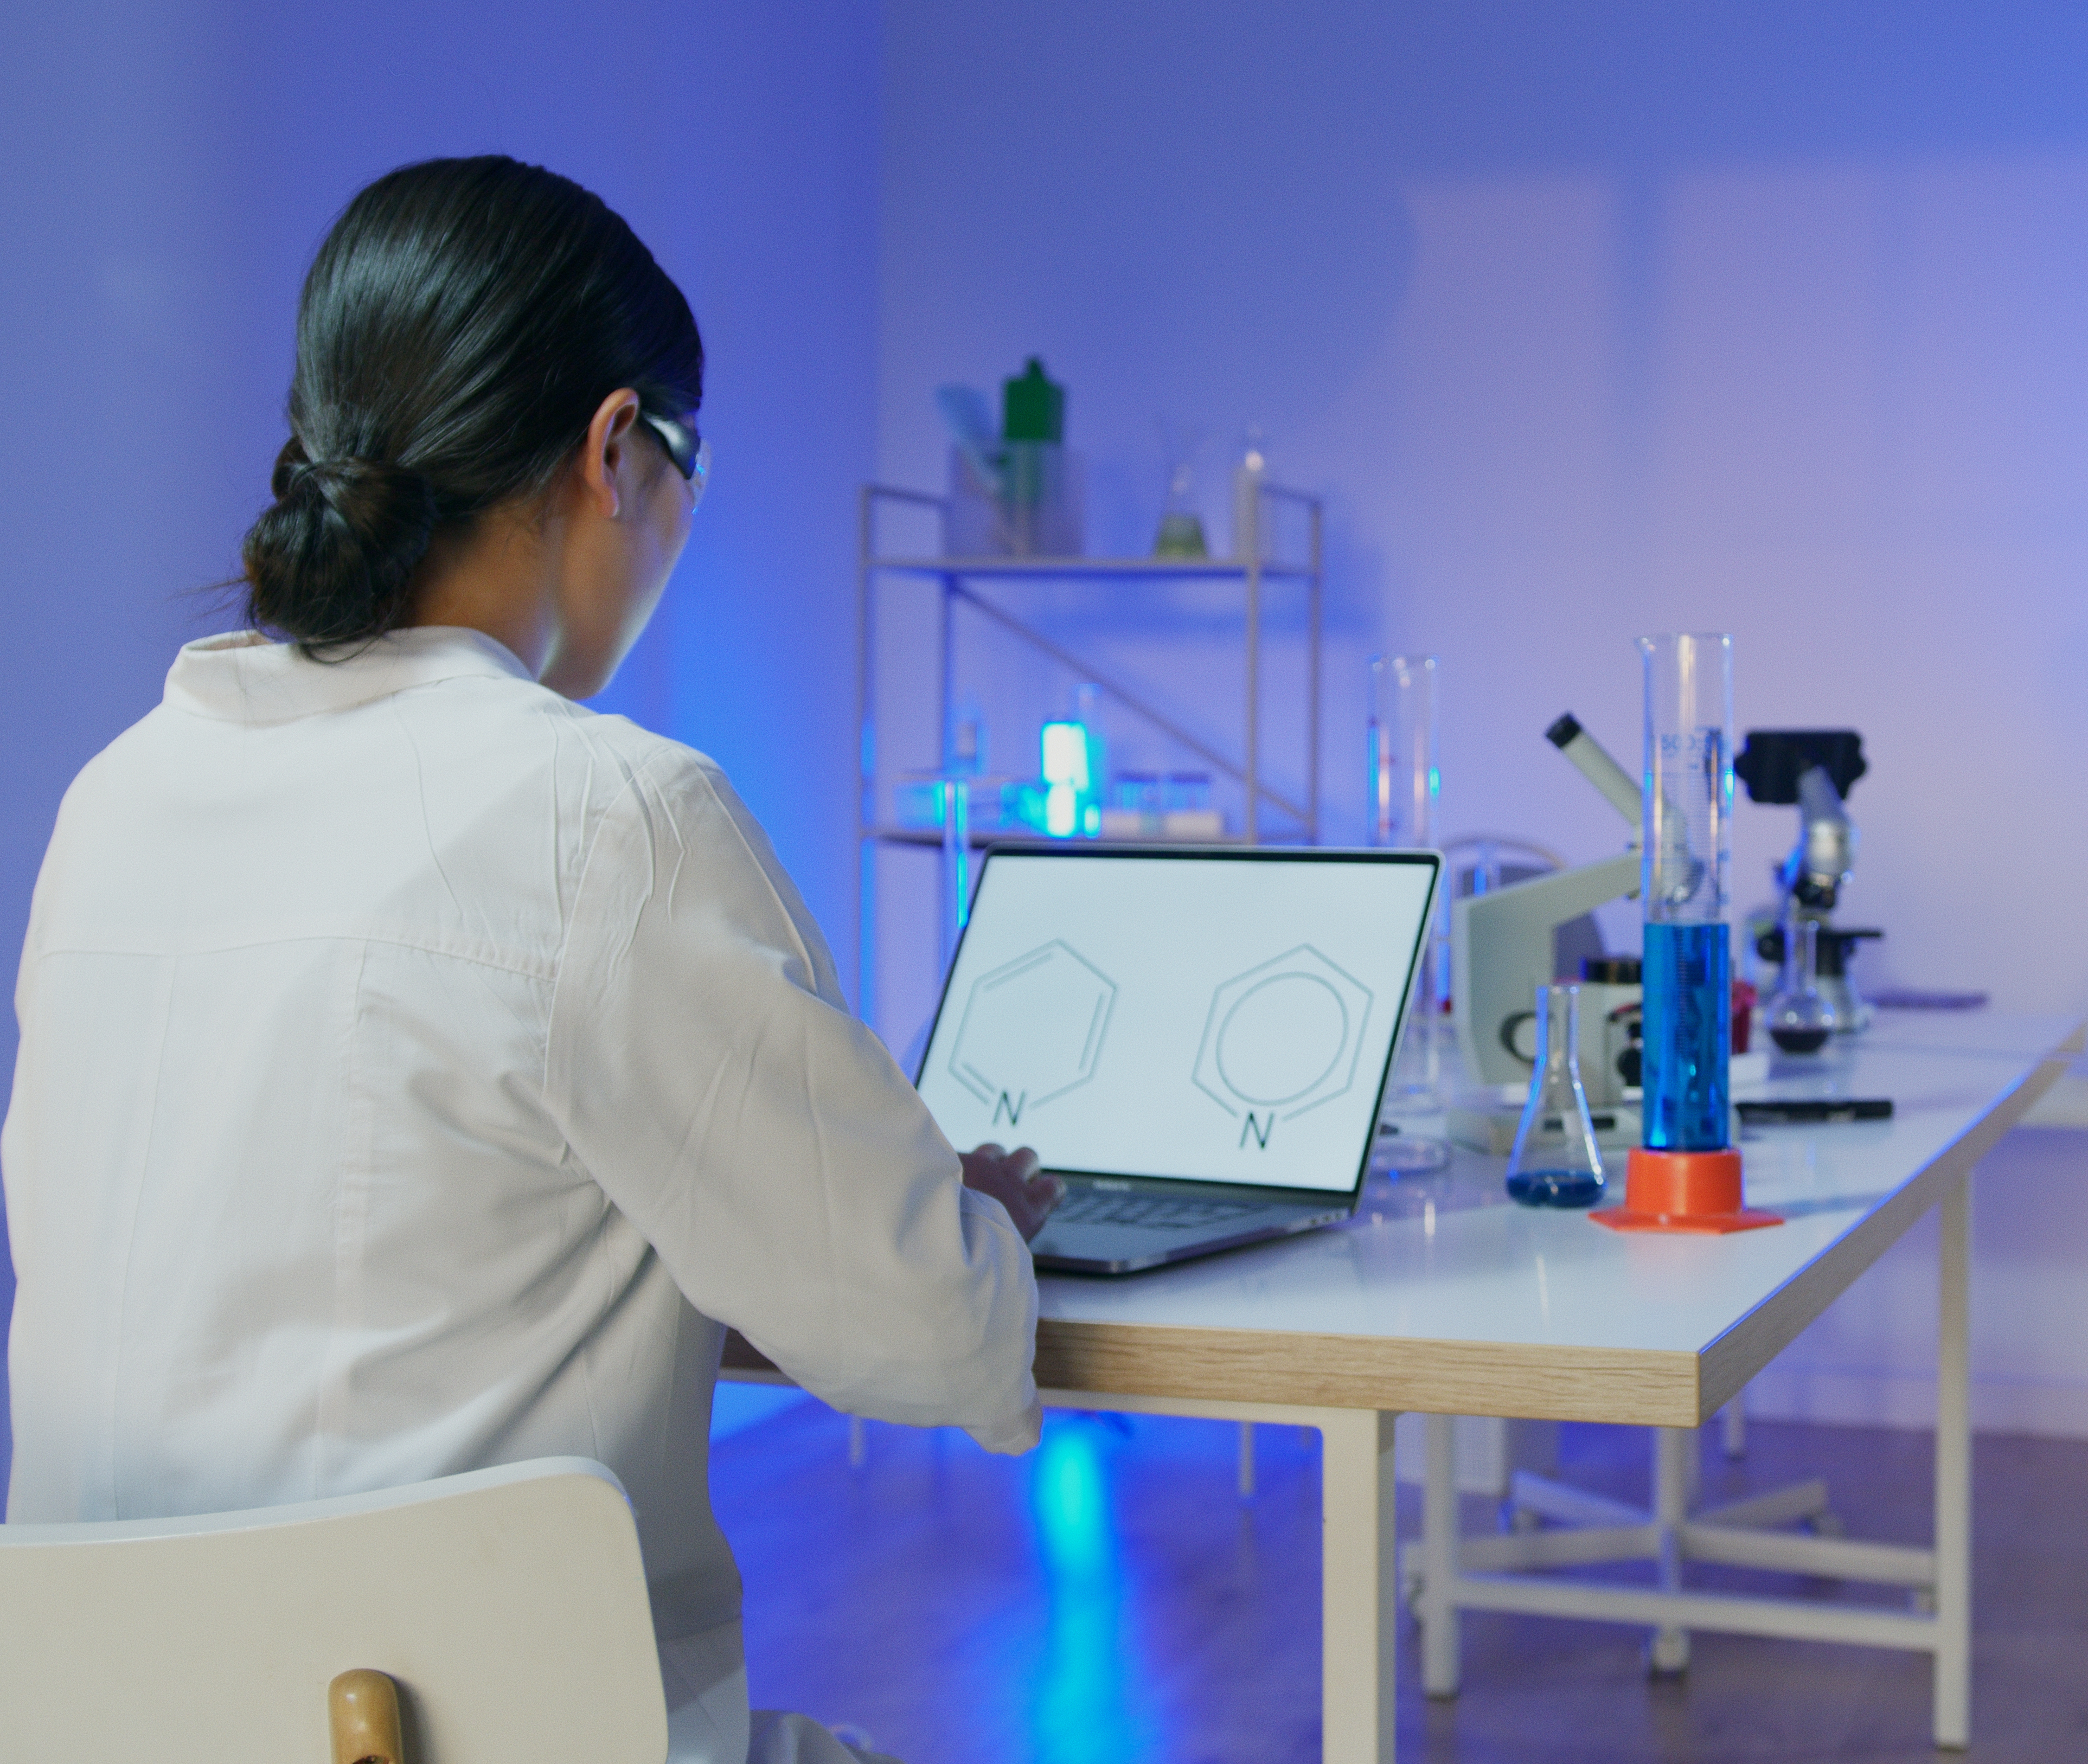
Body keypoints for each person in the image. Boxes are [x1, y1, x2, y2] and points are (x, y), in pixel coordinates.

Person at [1, 156, 1062, 1764]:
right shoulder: (607, 815)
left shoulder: (118, 795)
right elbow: (930, 1339)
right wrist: (953, 1215)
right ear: (617, 452)